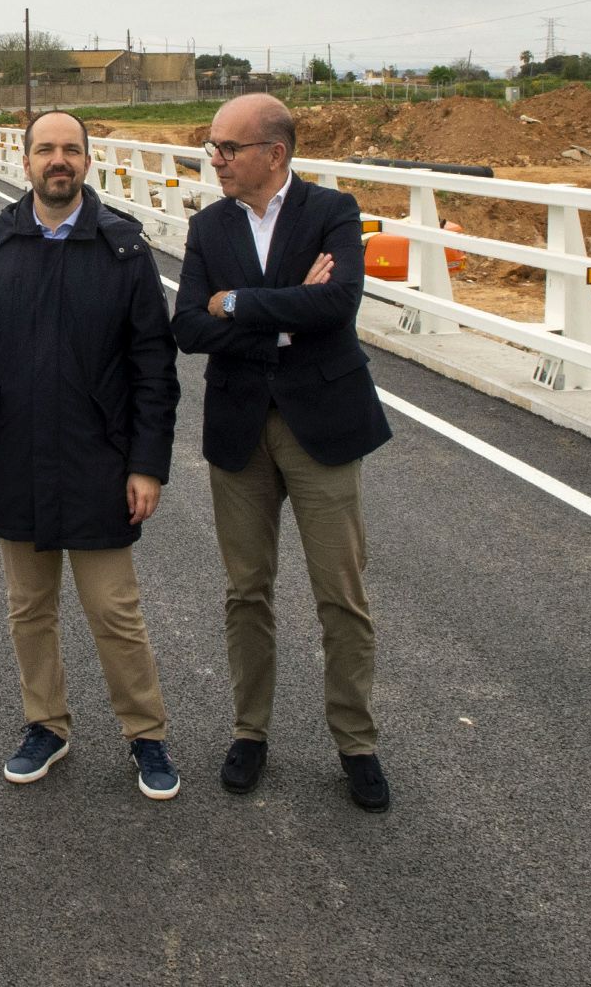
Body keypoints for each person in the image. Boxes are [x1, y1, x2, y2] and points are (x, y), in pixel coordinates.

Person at [0, 111, 184, 799]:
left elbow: (153, 368)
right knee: (29, 608)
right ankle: (45, 725)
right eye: (45, 149)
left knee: (114, 611)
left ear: (86, 161)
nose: (58, 160)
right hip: (13, 459)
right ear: (25, 162)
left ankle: (146, 733)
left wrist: (147, 464)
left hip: (99, 462)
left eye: (70, 149)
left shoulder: (123, 250)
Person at [172, 92, 394, 813]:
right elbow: (187, 326)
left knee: (340, 593)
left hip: (321, 423)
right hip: (240, 426)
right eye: (213, 147)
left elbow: (338, 304)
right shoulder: (209, 225)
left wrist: (237, 303)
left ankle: (356, 742)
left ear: (275, 153)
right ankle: (250, 731)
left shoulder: (332, 211)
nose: (216, 159)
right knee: (247, 591)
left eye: (228, 148)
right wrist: (287, 310)